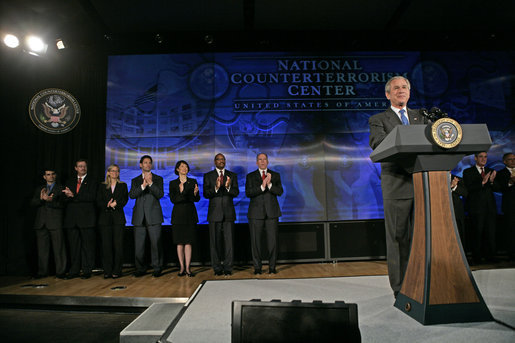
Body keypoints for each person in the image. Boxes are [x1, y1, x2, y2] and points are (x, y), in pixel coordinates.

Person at [368, 76, 427, 297]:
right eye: (396, 88)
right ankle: (400, 288)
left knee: (422, 238)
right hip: (396, 186)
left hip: (423, 185)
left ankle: (421, 282)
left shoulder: (420, 117)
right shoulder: (378, 119)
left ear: (409, 92)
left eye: (404, 87)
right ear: (388, 94)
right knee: (398, 239)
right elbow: (378, 143)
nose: (401, 90)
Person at [245, 153, 283, 274]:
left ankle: (272, 267)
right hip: (256, 214)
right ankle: (257, 268)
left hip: (272, 213)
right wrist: (262, 186)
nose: (262, 161)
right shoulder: (250, 176)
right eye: (260, 159)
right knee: (255, 243)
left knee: (273, 242)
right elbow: (248, 193)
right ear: (256, 162)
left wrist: (270, 184)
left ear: (267, 161)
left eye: (264, 159)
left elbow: (280, 191)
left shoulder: (275, 175)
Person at [203, 153, 239, 276]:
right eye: (219, 159)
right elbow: (206, 194)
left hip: (228, 213)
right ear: (215, 162)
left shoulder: (232, 175)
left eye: (223, 159)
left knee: (229, 243)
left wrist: (228, 187)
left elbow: (236, 192)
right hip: (214, 213)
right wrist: (216, 188)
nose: (221, 161)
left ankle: (228, 267)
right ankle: (217, 268)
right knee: (214, 242)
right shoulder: (208, 176)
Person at [129, 155, 164, 277]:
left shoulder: (158, 179)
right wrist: (143, 186)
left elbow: (160, 194)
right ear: (140, 165)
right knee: (139, 246)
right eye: (145, 162)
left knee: (156, 244)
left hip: (154, 216)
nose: (148, 164)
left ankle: (157, 267)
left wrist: (150, 184)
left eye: (150, 162)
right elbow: (132, 195)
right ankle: (140, 268)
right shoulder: (135, 180)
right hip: (139, 217)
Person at [62, 159, 97, 279]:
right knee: (74, 247)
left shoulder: (92, 181)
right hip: (72, 219)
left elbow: (91, 197)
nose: (83, 168)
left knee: (87, 246)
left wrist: (74, 196)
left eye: (84, 166)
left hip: (86, 219)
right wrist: (69, 196)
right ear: (75, 168)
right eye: (80, 166)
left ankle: (87, 270)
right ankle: (74, 270)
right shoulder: (70, 181)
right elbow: (65, 199)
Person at [30, 168, 67, 279]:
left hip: (55, 222)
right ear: (44, 177)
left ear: (55, 176)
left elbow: (62, 205)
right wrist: (41, 199)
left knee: (59, 248)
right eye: (48, 174)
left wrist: (50, 201)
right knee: (42, 249)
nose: (50, 176)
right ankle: (42, 272)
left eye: (52, 174)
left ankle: (61, 272)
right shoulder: (39, 189)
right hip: (41, 222)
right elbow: (33, 203)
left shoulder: (61, 188)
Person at [463, 151, 497, 264]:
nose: (484, 159)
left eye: (485, 157)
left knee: (490, 233)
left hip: (490, 208)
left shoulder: (490, 171)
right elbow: (468, 188)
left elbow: (497, 188)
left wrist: (491, 182)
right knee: (477, 233)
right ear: (475, 158)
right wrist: (482, 182)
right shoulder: (468, 171)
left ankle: (490, 257)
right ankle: (477, 258)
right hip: (476, 208)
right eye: (481, 157)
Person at [97, 164, 128, 279]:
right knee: (106, 246)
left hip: (118, 219)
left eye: (117, 171)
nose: (115, 173)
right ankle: (107, 270)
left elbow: (125, 199)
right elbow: (98, 201)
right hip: (105, 219)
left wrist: (116, 204)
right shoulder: (101, 186)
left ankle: (117, 270)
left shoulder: (123, 185)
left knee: (118, 246)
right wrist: (107, 204)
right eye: (113, 171)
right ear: (108, 172)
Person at [170, 160, 200, 277]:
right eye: (182, 166)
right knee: (179, 242)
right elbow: (174, 200)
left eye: (186, 166)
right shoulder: (173, 183)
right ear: (177, 169)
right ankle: (181, 267)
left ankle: (188, 267)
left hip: (190, 214)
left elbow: (196, 199)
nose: (184, 168)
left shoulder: (192, 182)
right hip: (178, 215)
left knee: (188, 242)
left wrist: (195, 194)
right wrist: (182, 192)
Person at [494, 152, 515, 261]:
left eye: (514, 159)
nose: (513, 161)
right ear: (504, 161)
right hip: (510, 207)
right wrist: (510, 182)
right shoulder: (501, 173)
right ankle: (512, 254)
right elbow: (500, 187)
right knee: (511, 231)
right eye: (510, 159)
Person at [451, 175, 468, 243]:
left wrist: (454, 187)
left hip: (457, 213)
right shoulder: (436, 178)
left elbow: (465, 193)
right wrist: (449, 186)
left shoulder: (458, 179)